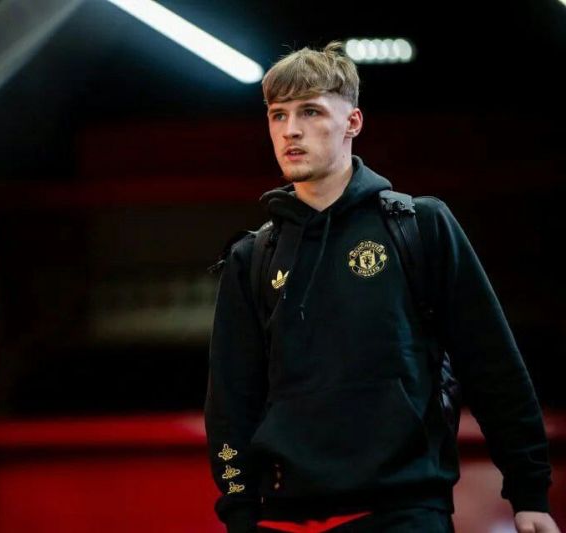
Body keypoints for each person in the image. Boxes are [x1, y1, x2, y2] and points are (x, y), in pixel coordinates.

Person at [203, 41, 559, 533]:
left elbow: (492, 365)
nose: (290, 130)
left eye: (310, 111)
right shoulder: (252, 257)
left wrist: (529, 491)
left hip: (406, 510)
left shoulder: (419, 226)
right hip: (285, 516)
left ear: (352, 122)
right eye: (277, 115)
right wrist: (240, 510)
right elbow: (230, 403)